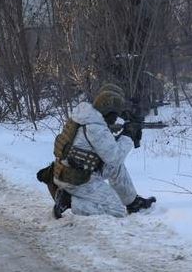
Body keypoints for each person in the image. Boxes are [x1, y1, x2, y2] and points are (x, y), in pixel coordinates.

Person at [51, 89, 156, 218]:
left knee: (115, 168)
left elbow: (106, 151)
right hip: (76, 179)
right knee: (116, 210)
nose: (116, 118)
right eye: (115, 114)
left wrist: (124, 134)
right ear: (108, 112)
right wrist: (128, 135)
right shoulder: (95, 127)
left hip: (73, 170)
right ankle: (69, 201)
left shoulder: (85, 117)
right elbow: (115, 157)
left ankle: (133, 202)